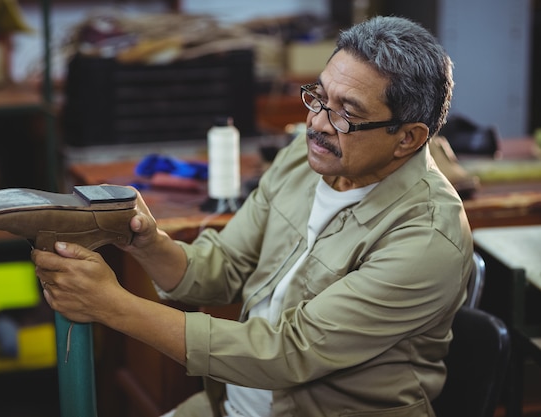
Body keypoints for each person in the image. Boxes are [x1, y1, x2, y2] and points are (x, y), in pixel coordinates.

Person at [32, 15, 473, 417]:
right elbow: (224, 266)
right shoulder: (305, 162)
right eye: (319, 97)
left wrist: (112, 305)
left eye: (346, 114)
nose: (317, 124)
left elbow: (287, 353)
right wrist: (145, 241)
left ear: (408, 138)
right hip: (235, 402)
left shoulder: (427, 238)